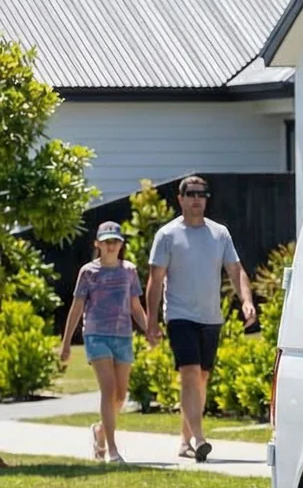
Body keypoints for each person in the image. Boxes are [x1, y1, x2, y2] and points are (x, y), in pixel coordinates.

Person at [144, 175, 254, 462]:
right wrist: (151, 321)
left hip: (211, 317)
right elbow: (155, 281)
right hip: (179, 315)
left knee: (201, 379)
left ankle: (185, 440)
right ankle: (200, 438)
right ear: (180, 199)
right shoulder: (167, 235)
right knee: (190, 373)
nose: (196, 199)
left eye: (201, 194)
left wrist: (247, 300)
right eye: (191, 194)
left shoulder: (219, 234)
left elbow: (236, 270)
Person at [58, 221, 148, 463]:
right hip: (96, 335)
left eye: (115, 241)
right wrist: (66, 343)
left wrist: (149, 328)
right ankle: (112, 449)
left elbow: (135, 306)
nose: (111, 246)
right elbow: (77, 307)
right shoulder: (88, 272)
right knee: (108, 390)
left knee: (120, 395)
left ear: (121, 244)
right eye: (107, 241)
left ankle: (100, 431)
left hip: (123, 336)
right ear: (97, 244)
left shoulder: (128, 271)